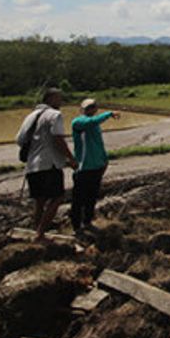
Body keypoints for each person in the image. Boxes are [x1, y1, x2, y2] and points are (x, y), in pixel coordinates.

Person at [15, 88, 77, 241]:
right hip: (49, 165)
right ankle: (40, 233)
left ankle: (37, 230)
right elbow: (58, 139)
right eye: (59, 98)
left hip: (32, 166)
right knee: (58, 198)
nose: (61, 102)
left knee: (40, 200)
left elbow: (19, 140)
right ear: (50, 99)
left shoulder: (30, 116)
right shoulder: (55, 115)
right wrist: (71, 158)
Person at [70, 98, 119, 236]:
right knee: (78, 198)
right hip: (83, 167)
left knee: (91, 197)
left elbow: (99, 144)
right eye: (88, 107)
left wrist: (104, 160)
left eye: (93, 107)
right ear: (82, 110)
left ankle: (87, 222)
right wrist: (109, 114)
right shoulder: (79, 122)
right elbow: (92, 121)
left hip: (96, 167)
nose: (91, 109)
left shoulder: (96, 126)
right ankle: (76, 226)